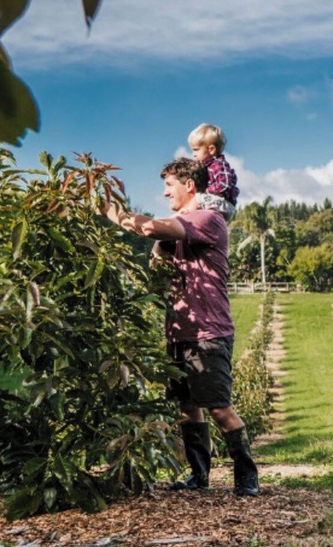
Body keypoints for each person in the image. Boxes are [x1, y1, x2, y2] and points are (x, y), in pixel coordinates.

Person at [102, 157, 259, 497]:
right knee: (188, 407)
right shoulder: (183, 226)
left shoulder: (208, 219)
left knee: (218, 407)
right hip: (179, 331)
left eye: (169, 185)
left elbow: (149, 228)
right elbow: (157, 252)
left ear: (190, 185)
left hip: (209, 331)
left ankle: (247, 475)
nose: (164, 192)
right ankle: (198, 476)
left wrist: (112, 211)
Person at [188, 123, 239, 220]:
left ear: (211, 149)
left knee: (196, 199)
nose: (193, 154)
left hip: (225, 204)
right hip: (218, 202)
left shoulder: (218, 165)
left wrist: (207, 191)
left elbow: (224, 184)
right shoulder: (208, 166)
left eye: (196, 150)